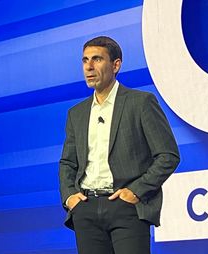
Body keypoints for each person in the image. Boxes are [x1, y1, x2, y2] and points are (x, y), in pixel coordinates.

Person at [58, 36, 181, 253]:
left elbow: (168, 155)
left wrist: (135, 191)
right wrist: (69, 196)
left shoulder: (141, 102)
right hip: (86, 208)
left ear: (116, 65)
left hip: (125, 207)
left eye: (97, 59)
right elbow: (68, 162)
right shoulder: (76, 113)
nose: (89, 66)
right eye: (85, 60)